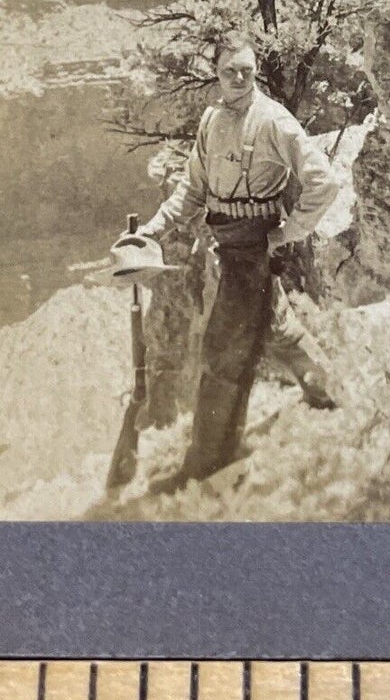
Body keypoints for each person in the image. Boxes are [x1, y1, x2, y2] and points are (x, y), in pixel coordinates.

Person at [139, 29, 340, 484]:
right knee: (278, 326)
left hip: (253, 245)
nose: (240, 77)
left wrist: (288, 233)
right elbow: (191, 190)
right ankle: (332, 393)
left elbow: (324, 181)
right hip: (228, 242)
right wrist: (154, 228)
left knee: (221, 352)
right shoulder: (211, 121)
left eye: (247, 69)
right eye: (230, 70)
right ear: (215, 71)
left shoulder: (273, 121)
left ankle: (205, 462)